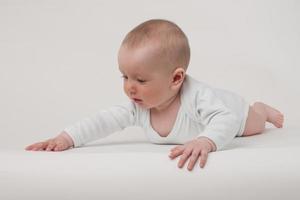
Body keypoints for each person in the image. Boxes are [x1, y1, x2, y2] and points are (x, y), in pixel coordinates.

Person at [25, 19, 284, 171]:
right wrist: (66, 138)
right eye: (124, 76)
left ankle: (262, 107)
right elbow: (104, 120)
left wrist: (205, 141)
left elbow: (225, 119)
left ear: (175, 79)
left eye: (140, 80)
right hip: (222, 113)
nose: (130, 87)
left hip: (234, 111)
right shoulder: (139, 106)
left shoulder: (199, 98)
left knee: (255, 126)